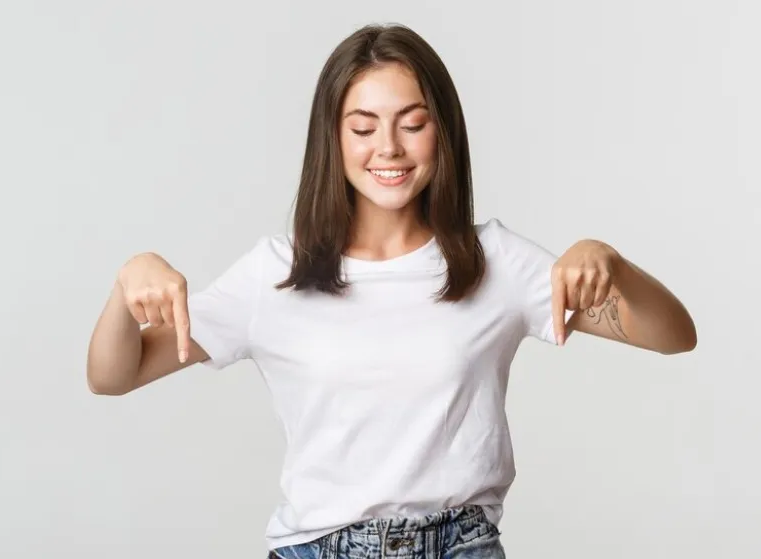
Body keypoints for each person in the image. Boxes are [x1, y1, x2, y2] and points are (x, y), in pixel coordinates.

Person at [86, 23, 697, 559]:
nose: (389, 149)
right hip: (314, 551)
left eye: (412, 124)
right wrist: (125, 283)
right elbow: (114, 375)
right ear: (333, 138)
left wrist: (613, 264)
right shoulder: (275, 274)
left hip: (461, 546)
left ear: (442, 133)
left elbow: (675, 337)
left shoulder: (495, 264)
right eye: (363, 127)